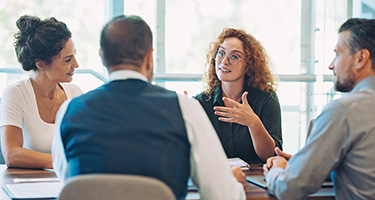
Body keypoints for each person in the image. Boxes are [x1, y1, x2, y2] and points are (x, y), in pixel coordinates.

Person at [51, 15, 246, 200]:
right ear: (150, 57)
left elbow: (70, 182)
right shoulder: (184, 108)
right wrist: (234, 186)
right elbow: (222, 195)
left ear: (102, 57)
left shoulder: (69, 110)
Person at [263, 18, 375, 199]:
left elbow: (290, 188)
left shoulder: (344, 109)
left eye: (337, 55)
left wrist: (277, 171)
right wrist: (308, 164)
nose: (331, 65)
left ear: (361, 58)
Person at [0, 15, 82, 169]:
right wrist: (62, 162)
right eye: (67, 60)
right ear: (41, 63)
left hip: (66, 181)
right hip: (27, 184)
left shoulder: (75, 93)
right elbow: (12, 154)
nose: (76, 64)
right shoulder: (15, 94)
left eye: (74, 56)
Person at [194, 28, 282, 163]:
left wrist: (253, 123)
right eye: (221, 53)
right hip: (215, 178)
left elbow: (271, 156)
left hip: (256, 179)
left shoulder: (266, 99)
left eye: (234, 56)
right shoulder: (201, 102)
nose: (224, 62)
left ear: (249, 65)